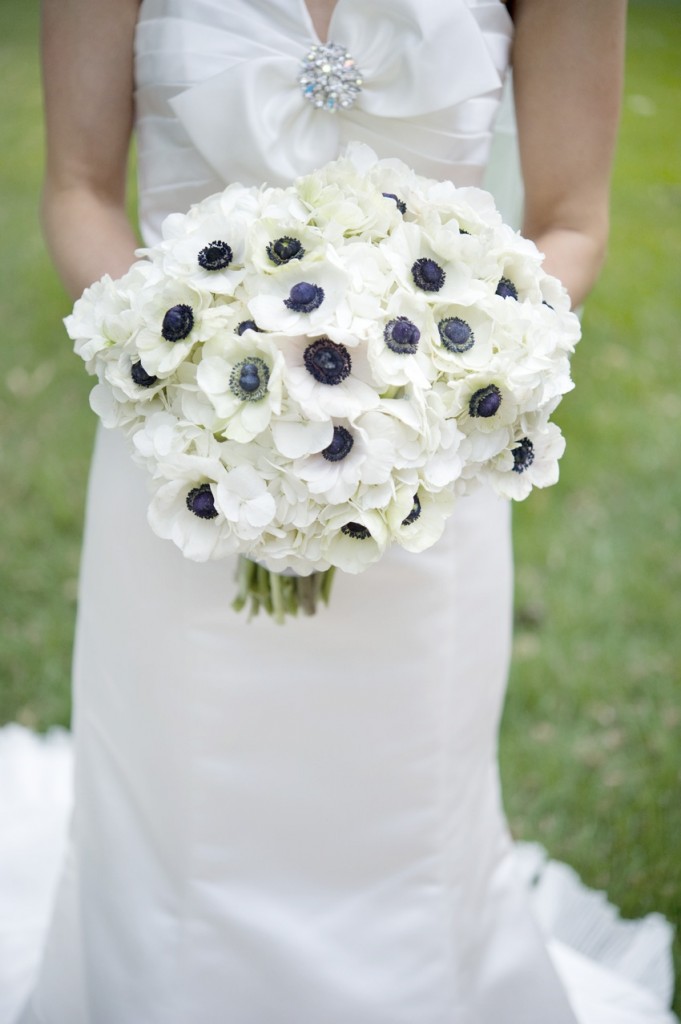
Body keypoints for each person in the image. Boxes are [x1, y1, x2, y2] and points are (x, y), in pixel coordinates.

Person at [17, 0, 675, 1021]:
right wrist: (193, 381)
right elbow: (79, 188)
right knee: (181, 827)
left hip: (425, 488)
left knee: (401, 827)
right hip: (181, 476)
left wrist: (417, 392)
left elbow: (572, 222)